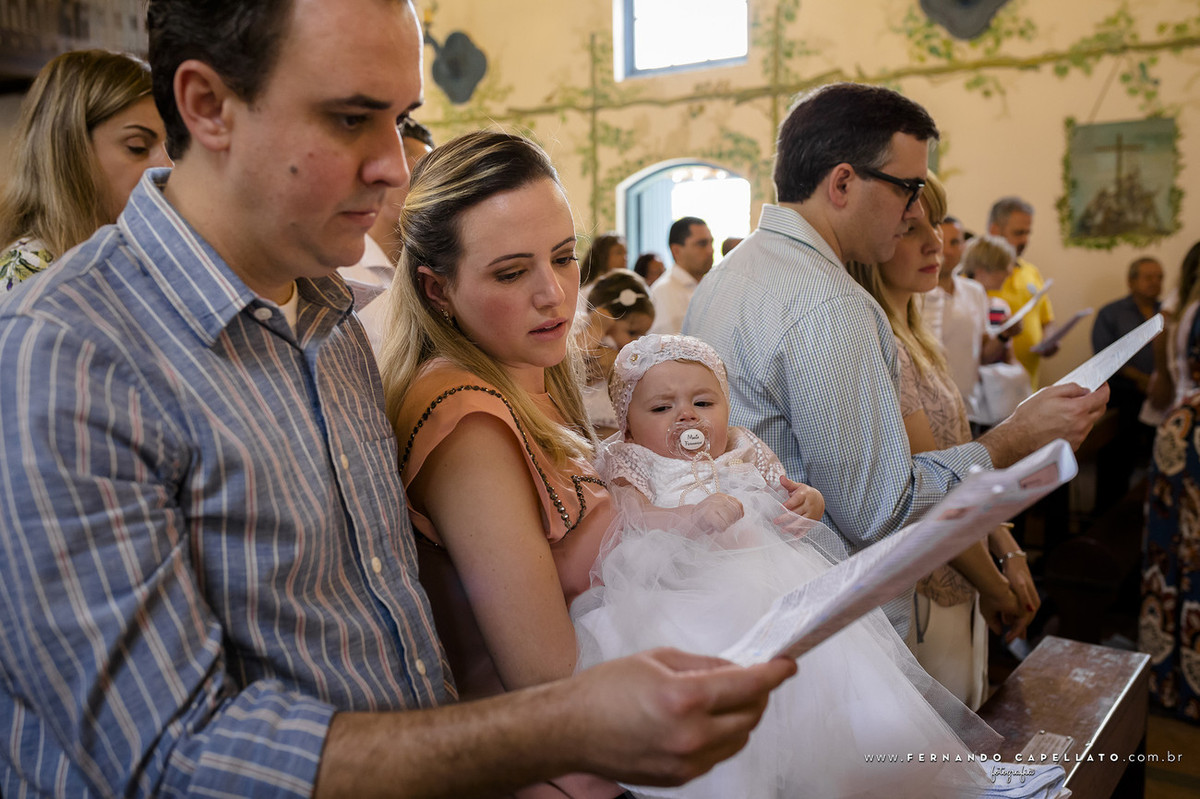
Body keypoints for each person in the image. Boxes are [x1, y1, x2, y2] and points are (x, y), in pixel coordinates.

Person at [0, 3, 793, 797]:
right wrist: (558, 726)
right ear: (209, 106)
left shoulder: (327, 316)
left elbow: (380, 625)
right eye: (351, 118)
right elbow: (173, 755)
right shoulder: (69, 352)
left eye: (402, 120)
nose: (395, 168)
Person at [683, 82, 1108, 637]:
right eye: (908, 189)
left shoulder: (726, 277)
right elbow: (879, 511)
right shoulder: (830, 302)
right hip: (831, 619)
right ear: (842, 183)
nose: (914, 209)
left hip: (749, 595)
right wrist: (1013, 439)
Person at [572, 334, 1067, 798]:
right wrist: (687, 517)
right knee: (740, 706)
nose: (686, 417)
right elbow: (628, 518)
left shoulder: (743, 446)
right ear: (628, 422)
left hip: (774, 581)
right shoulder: (629, 459)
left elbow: (784, 493)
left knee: (836, 680)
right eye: (662, 408)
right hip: (682, 594)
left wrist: (806, 500)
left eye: (704, 403)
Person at [846, 175, 1037, 709]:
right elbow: (932, 483)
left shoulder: (916, 334)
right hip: (934, 578)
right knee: (946, 735)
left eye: (937, 225)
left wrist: (1009, 549)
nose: (937, 243)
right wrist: (996, 586)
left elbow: (960, 462)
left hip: (967, 562)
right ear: (873, 243)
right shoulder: (883, 343)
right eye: (913, 229)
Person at [0, 49, 169, 291]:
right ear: (71, 150)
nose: (166, 165)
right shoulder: (27, 269)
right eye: (137, 147)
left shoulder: (135, 253)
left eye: (169, 146)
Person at [1142, 241, 1200, 723]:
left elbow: (1165, 364)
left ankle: (1169, 676)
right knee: (1189, 553)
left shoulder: (1179, 307)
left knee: (1173, 550)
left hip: (1177, 427)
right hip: (1194, 436)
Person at [1091, 256, 1164, 503]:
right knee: (1116, 467)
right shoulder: (1111, 313)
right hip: (1123, 399)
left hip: (1161, 398)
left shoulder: (1167, 313)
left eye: (1159, 277)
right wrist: (1143, 379)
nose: (1155, 283)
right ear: (1131, 281)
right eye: (1148, 277)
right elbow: (1104, 355)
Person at [918, 214, 1004, 417]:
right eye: (941, 241)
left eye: (955, 242)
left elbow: (982, 354)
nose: (947, 250)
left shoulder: (975, 292)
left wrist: (1004, 336)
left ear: (965, 247)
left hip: (971, 408)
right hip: (930, 410)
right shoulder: (916, 296)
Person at [987, 196, 1058, 389]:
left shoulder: (1031, 271)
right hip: (991, 393)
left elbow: (1046, 320)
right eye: (1018, 233)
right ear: (994, 231)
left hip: (1028, 386)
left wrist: (1049, 340)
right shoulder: (974, 276)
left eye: (1028, 233)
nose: (1025, 240)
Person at [577, 270, 656, 436]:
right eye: (632, 332)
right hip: (587, 422)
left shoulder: (629, 353)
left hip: (614, 427)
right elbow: (574, 358)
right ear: (606, 316)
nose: (636, 341)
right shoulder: (587, 330)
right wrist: (597, 327)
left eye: (643, 335)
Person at [649, 216, 713, 334]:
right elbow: (669, 349)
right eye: (702, 244)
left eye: (711, 242)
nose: (710, 250)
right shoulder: (664, 291)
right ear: (676, 251)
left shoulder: (709, 285)